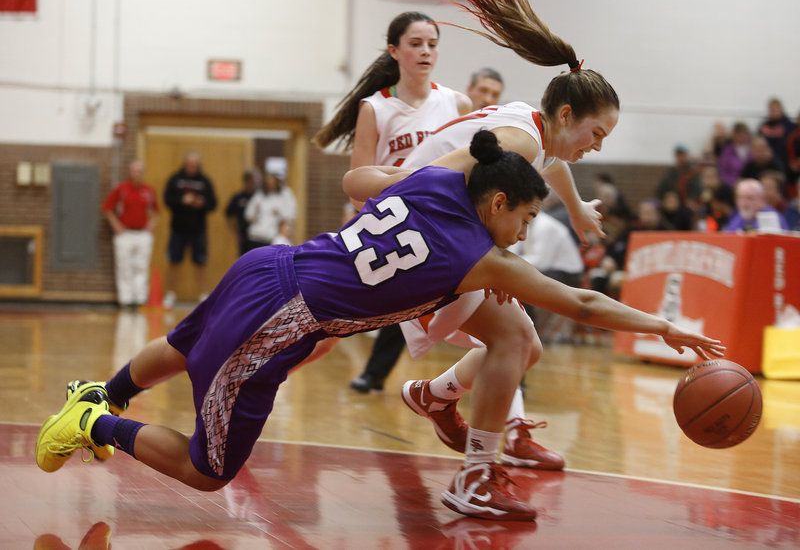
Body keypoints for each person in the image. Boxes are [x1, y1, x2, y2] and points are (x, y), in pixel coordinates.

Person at [35, 131, 725, 522]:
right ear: (498, 202)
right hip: (283, 316)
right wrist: (664, 326)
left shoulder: (433, 180)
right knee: (209, 471)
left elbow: (363, 182)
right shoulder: (481, 256)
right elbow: (585, 304)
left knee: (185, 344)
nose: (523, 233)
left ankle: (105, 390)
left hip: (271, 263)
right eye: (523, 218)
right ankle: (94, 422)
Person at [394, 0, 619, 477]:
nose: (597, 147)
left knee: (524, 347)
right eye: (597, 134)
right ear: (567, 114)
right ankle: (478, 472)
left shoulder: (534, 131)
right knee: (515, 341)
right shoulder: (517, 138)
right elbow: (442, 179)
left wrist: (577, 207)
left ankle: (435, 397)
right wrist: (489, 253)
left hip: (429, 235)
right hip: (415, 236)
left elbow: (552, 161)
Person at [313, 10, 473, 394]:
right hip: (388, 233)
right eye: (415, 44)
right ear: (394, 51)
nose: (425, 52)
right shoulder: (375, 108)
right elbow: (356, 187)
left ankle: (464, 403)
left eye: (432, 44)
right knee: (331, 325)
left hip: (443, 237)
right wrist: (412, 186)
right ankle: (273, 370)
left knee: (495, 328)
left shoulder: (458, 104)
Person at [509, 210, 584, 344]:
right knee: (512, 279)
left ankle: (530, 330)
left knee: (522, 283)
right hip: (546, 268)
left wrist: (509, 263)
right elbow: (511, 251)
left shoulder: (546, 226)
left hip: (567, 272)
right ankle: (521, 328)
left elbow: (541, 261)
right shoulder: (522, 222)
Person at [162, 151, 218, 308]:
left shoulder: (205, 181)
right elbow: (167, 199)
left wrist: (202, 203)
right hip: (178, 229)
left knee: (201, 263)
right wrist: (181, 200)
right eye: (189, 164)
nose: (192, 167)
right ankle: (170, 294)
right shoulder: (175, 179)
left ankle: (203, 296)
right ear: (184, 164)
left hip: (198, 231)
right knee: (174, 261)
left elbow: (213, 204)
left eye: (195, 164)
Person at [101, 160, 159, 308]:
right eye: (135, 171)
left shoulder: (148, 191)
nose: (138, 174)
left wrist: (151, 225)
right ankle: (125, 300)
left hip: (142, 234)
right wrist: (116, 224)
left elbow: (156, 212)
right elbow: (107, 208)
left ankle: (140, 298)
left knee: (141, 266)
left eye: (140, 171)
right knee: (124, 266)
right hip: (125, 234)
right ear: (130, 172)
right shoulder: (121, 189)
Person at [244, 172, 297, 249]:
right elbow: (248, 215)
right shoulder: (260, 194)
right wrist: (256, 210)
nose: (270, 183)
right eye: (267, 181)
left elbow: (291, 215)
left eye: (272, 180)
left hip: (272, 237)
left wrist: (279, 213)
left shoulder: (285, 194)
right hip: (256, 236)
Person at [723, 177, 788, 232]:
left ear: (761, 199)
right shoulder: (737, 218)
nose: (744, 203)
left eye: (750, 198)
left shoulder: (772, 218)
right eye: (740, 198)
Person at [225, 168, 261, 256]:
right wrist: (235, 232)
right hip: (243, 235)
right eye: (251, 182)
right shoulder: (238, 197)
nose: (254, 185)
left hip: (259, 236)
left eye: (256, 182)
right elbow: (228, 215)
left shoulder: (261, 198)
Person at [758, 97, 796, 176]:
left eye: (775, 110)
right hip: (766, 158)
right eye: (771, 110)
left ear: (781, 110)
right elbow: (759, 140)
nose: (773, 112)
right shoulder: (764, 126)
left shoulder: (789, 126)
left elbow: (790, 144)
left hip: (784, 158)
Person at [717, 122, 753, 186]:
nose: (741, 136)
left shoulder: (753, 148)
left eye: (743, 134)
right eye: (738, 134)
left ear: (748, 135)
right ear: (733, 135)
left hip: (750, 184)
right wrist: (733, 183)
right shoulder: (727, 150)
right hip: (731, 184)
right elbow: (722, 171)